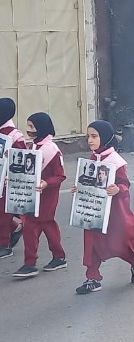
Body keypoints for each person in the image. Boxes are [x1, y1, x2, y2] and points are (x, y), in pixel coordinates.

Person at [73, 120, 134, 294]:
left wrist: (118, 189)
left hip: (115, 213)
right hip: (95, 211)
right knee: (91, 243)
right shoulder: (93, 158)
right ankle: (92, 278)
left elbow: (125, 185)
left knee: (119, 245)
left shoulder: (116, 161)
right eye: (88, 137)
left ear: (105, 137)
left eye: (94, 136)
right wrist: (80, 189)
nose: (90, 141)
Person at [12, 113, 67, 278]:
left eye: (32, 126)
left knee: (38, 225)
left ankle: (36, 262)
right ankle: (51, 258)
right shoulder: (34, 146)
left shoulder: (51, 149)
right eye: (28, 126)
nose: (29, 130)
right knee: (39, 225)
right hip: (33, 195)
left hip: (47, 196)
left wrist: (46, 183)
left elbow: (60, 175)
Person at [0, 98, 26, 259]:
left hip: (8, 181)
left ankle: (4, 245)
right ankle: (15, 227)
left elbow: (22, 159)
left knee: (3, 213)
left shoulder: (15, 136)